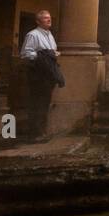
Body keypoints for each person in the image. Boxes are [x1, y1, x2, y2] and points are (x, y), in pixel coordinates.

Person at [20, 9, 64, 142]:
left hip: (48, 74)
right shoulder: (33, 35)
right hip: (38, 74)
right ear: (38, 21)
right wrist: (43, 55)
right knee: (37, 104)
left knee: (45, 104)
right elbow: (25, 54)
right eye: (45, 18)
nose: (49, 20)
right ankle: (35, 134)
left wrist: (53, 54)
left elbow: (52, 52)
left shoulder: (50, 35)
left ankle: (42, 132)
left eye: (49, 17)